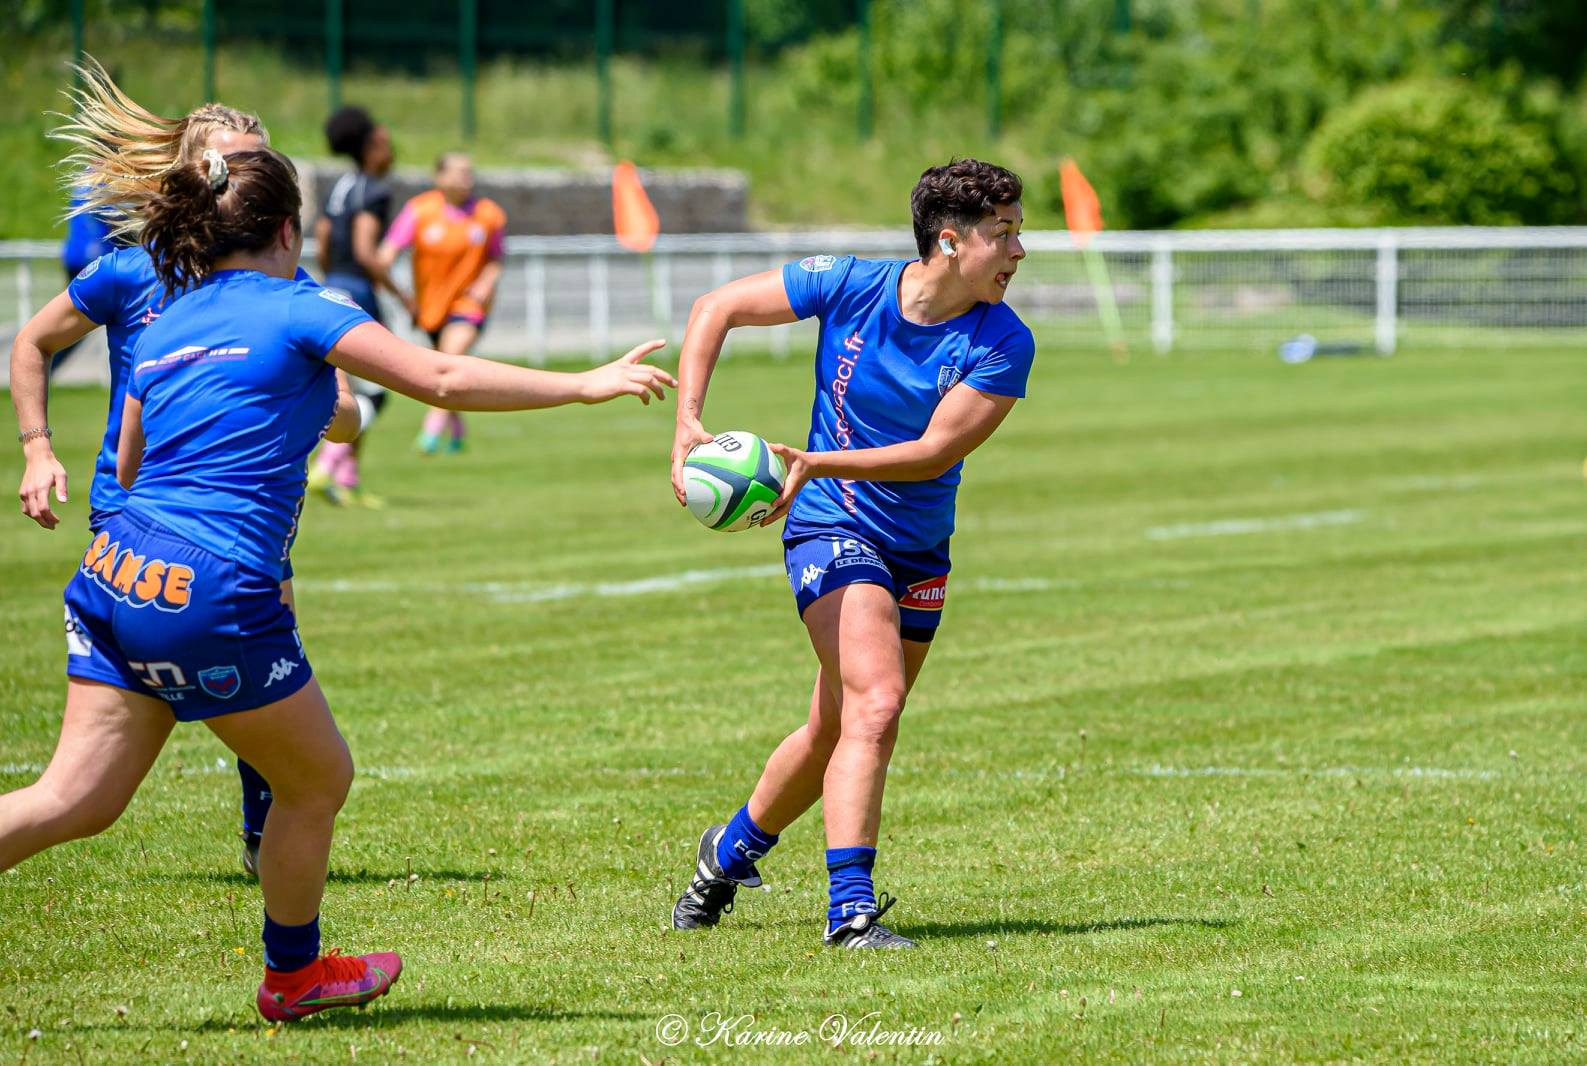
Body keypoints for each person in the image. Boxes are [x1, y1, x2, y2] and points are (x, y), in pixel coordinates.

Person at [0, 145, 674, 1019]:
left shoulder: (166, 321)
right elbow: (438, 377)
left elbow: (128, 458)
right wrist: (587, 383)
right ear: (290, 231)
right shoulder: (304, 305)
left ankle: (297, 972)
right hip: (210, 584)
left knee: (73, 799)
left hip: (112, 568)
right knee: (316, 780)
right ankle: (293, 975)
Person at [666, 159, 1033, 949]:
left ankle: (726, 854)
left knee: (833, 727)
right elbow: (715, 307)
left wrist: (808, 462)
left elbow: (933, 453)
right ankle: (851, 911)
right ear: (948, 240)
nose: (1017, 252)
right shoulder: (850, 284)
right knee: (877, 703)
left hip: (918, 548)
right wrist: (687, 425)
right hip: (832, 527)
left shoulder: (1004, 341)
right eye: (1002, 234)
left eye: (1018, 233)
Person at [7, 59, 339, 880]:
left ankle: (268, 836)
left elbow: (333, 392)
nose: (242, 178)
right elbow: (32, 343)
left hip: (241, 517)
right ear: (191, 175)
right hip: (143, 515)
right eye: (229, 163)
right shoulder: (130, 273)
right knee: (258, 687)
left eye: (256, 163)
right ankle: (289, 912)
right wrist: (37, 446)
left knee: (267, 674)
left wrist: (339, 408)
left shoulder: (278, 278)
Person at [308, 105, 411, 507]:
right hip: (359, 292)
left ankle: (348, 480)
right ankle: (328, 465)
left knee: (349, 388)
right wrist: (403, 295)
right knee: (378, 391)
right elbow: (368, 251)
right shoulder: (374, 190)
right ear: (370, 147)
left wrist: (335, 282)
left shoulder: (341, 185)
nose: (391, 152)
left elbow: (323, 233)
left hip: (334, 285)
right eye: (385, 144)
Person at [378, 152, 505, 454]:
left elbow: (496, 259)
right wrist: (393, 288)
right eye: (459, 172)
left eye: (469, 172)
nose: (466, 178)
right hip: (431, 309)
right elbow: (387, 254)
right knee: (450, 365)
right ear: (440, 177)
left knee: (451, 357)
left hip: (469, 307)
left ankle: (430, 433)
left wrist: (486, 282)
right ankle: (458, 431)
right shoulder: (420, 211)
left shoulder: (489, 214)